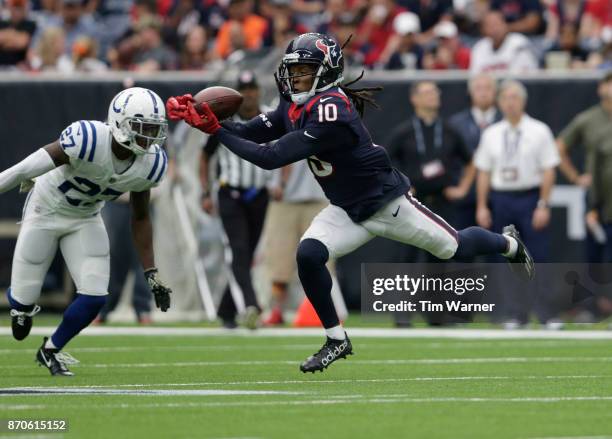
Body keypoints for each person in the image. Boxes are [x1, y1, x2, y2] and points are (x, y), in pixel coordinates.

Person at [166, 32, 534, 374]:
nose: (296, 79)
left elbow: (270, 156)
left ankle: (509, 243)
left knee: (453, 248)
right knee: (308, 255)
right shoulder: (296, 104)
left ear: (327, 73)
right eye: (294, 71)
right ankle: (335, 339)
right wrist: (211, 121)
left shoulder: (332, 110)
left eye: (306, 71)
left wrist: (215, 129)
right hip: (346, 208)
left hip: (386, 204)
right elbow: (253, 132)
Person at [2, 87, 172, 376]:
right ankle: (21, 311)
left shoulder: (151, 163)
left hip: (85, 217)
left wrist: (151, 273)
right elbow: (23, 169)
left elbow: (141, 217)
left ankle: (51, 350)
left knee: (95, 296)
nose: (150, 137)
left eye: (155, 129)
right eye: (142, 128)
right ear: (119, 123)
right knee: (22, 301)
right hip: (46, 209)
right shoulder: (88, 139)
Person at [474, 80, 560, 327]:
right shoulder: (491, 133)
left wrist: (543, 204)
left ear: (523, 101)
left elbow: (548, 169)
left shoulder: (538, 130)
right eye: (506, 98)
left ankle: (545, 314)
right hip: (502, 198)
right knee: (508, 256)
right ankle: (515, 313)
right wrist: (482, 205)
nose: (510, 103)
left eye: (515, 98)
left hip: (530, 196)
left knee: (539, 256)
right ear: (499, 102)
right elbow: (483, 171)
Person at [200, 71, 277, 329]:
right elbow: (205, 156)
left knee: (247, 255)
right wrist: (205, 192)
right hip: (230, 193)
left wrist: (281, 182)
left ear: (258, 90)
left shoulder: (270, 117)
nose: (250, 94)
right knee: (239, 251)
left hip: (259, 195)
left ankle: (225, 310)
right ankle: (252, 305)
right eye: (244, 90)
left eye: (253, 88)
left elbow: (287, 144)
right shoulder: (225, 120)